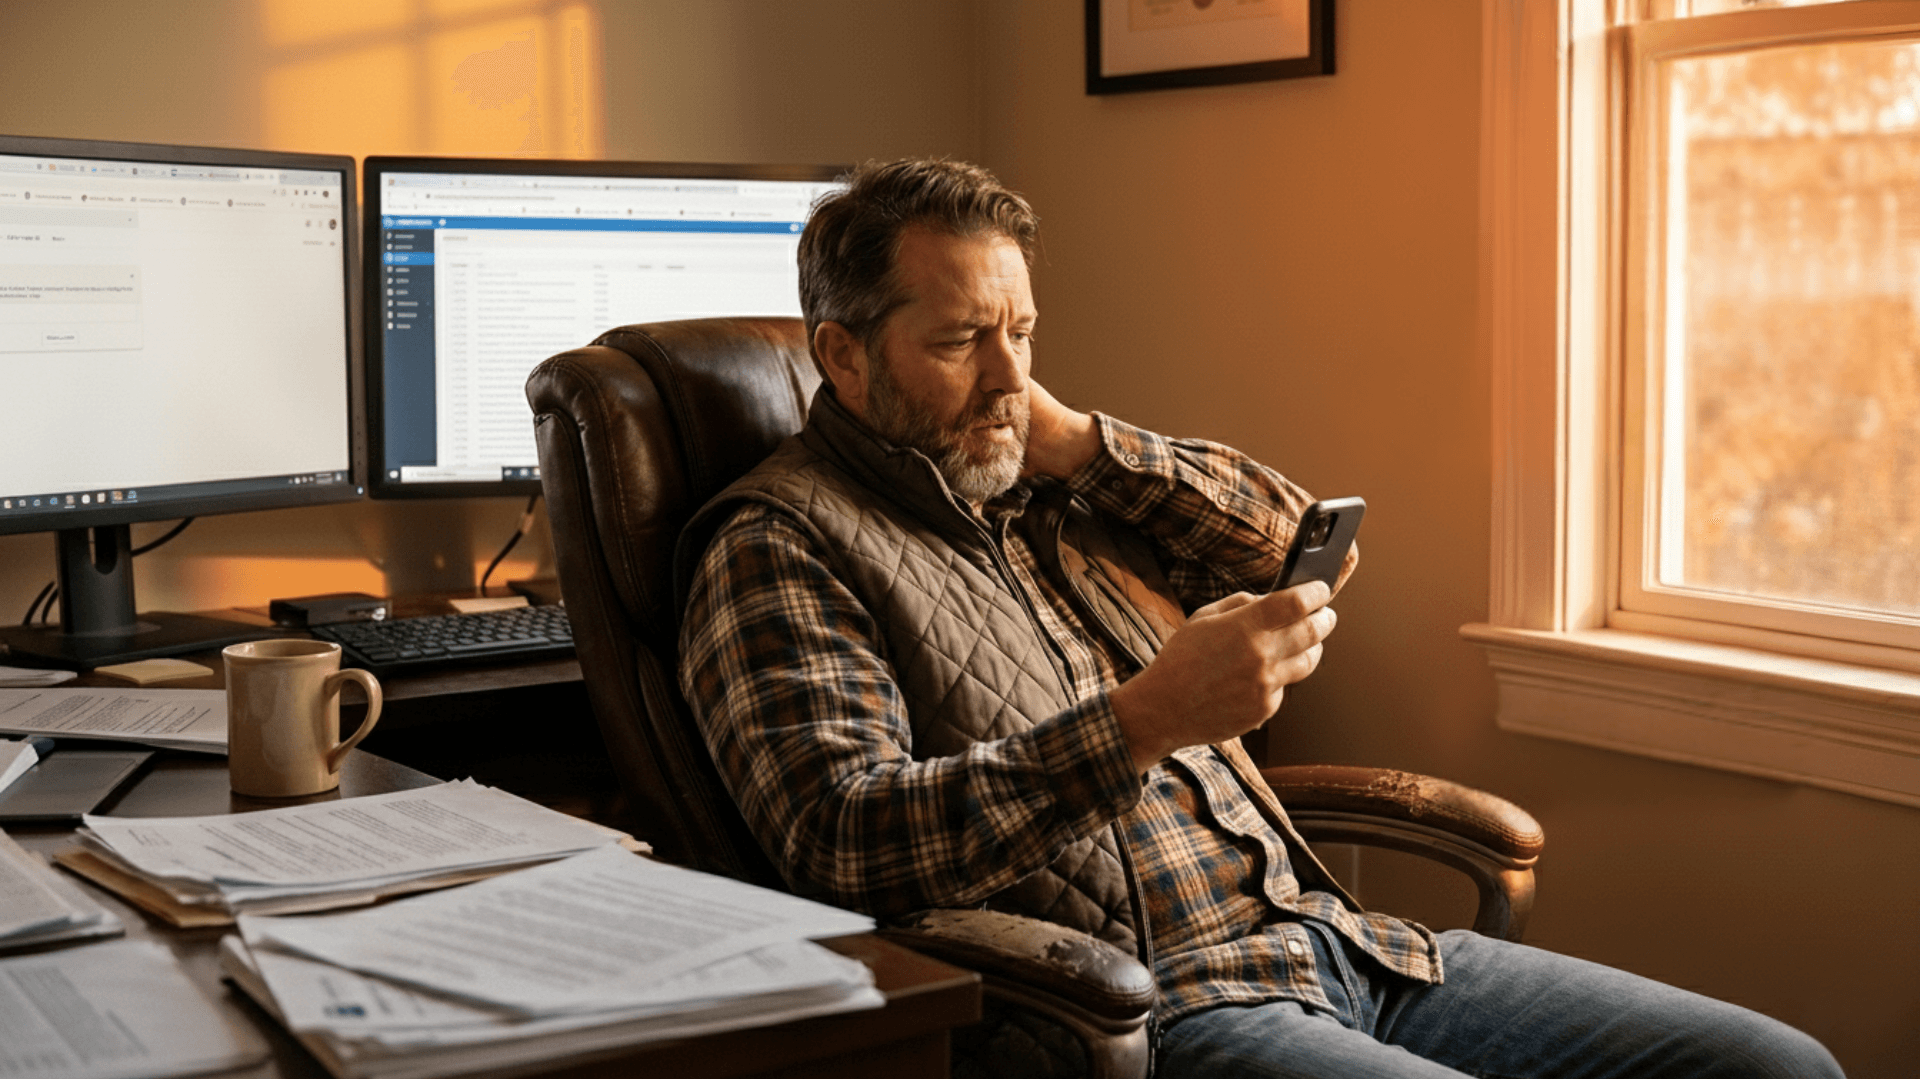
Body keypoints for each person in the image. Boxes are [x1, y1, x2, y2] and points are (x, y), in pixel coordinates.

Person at [676, 158, 1841, 1077]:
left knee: (1775, 1063)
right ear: (844, 353)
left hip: (1338, 940)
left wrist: (1082, 442)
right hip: (1149, 1014)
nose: (1006, 378)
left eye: (1021, 332)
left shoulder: (1029, 471)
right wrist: (1140, 724)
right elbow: (842, 839)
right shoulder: (778, 546)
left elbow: (1285, 542)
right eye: (956, 340)